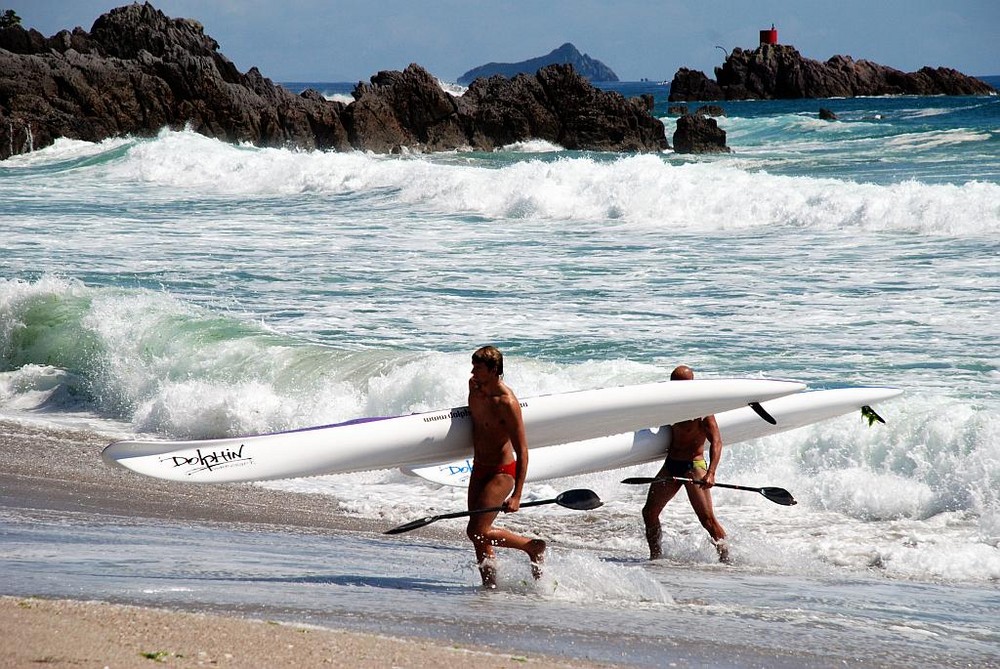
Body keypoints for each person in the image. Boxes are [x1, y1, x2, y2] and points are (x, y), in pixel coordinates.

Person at [466, 345, 546, 588]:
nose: (472, 372)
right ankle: (489, 585)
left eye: (477, 368)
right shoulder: (476, 390)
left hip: (501, 473)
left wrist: (517, 495)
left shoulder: (507, 402)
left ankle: (531, 547)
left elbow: (522, 450)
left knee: (476, 531)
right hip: (479, 468)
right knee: (479, 536)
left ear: (493, 370)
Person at [642, 365, 730, 563]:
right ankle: (655, 556)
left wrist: (711, 473)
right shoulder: (668, 405)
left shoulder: (702, 410)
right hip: (671, 464)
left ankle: (726, 559)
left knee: (707, 521)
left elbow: (716, 441)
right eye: (675, 384)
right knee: (649, 512)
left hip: (694, 467)